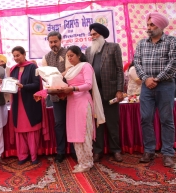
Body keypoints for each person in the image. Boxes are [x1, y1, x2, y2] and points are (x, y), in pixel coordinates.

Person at [134, 12, 176, 167]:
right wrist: (146, 79)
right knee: (145, 118)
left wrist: (157, 78)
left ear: (161, 26)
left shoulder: (172, 41)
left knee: (166, 119)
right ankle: (149, 150)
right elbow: (137, 63)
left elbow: (174, 63)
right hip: (146, 87)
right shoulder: (141, 43)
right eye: (148, 25)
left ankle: (167, 153)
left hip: (165, 85)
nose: (149, 28)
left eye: (152, 25)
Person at [60, 46, 104, 173]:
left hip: (83, 103)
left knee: (84, 133)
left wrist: (73, 89)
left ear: (79, 55)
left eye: (72, 55)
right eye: (68, 56)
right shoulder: (71, 70)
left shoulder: (85, 66)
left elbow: (88, 85)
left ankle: (87, 163)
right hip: (72, 103)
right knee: (75, 132)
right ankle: (82, 161)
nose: (69, 58)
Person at [85, 23, 124, 163]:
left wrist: (120, 90)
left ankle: (116, 150)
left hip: (111, 92)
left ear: (101, 35)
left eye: (95, 34)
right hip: (94, 94)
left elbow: (120, 70)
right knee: (97, 124)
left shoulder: (113, 47)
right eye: (91, 34)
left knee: (112, 123)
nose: (92, 37)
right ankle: (97, 151)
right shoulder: (89, 51)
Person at [42, 31, 76, 163]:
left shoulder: (68, 53)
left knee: (72, 123)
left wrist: (57, 77)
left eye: (55, 41)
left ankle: (74, 150)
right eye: (51, 42)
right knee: (59, 124)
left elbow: (70, 71)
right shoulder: (46, 57)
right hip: (56, 97)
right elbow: (45, 75)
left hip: (69, 95)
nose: (53, 44)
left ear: (60, 41)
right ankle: (60, 151)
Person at [10, 46, 43, 164]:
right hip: (17, 103)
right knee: (20, 131)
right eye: (14, 56)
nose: (16, 58)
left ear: (24, 54)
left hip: (30, 103)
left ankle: (34, 156)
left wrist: (23, 87)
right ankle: (22, 156)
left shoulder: (32, 67)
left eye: (18, 55)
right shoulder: (13, 69)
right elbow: (10, 84)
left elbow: (36, 84)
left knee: (31, 131)